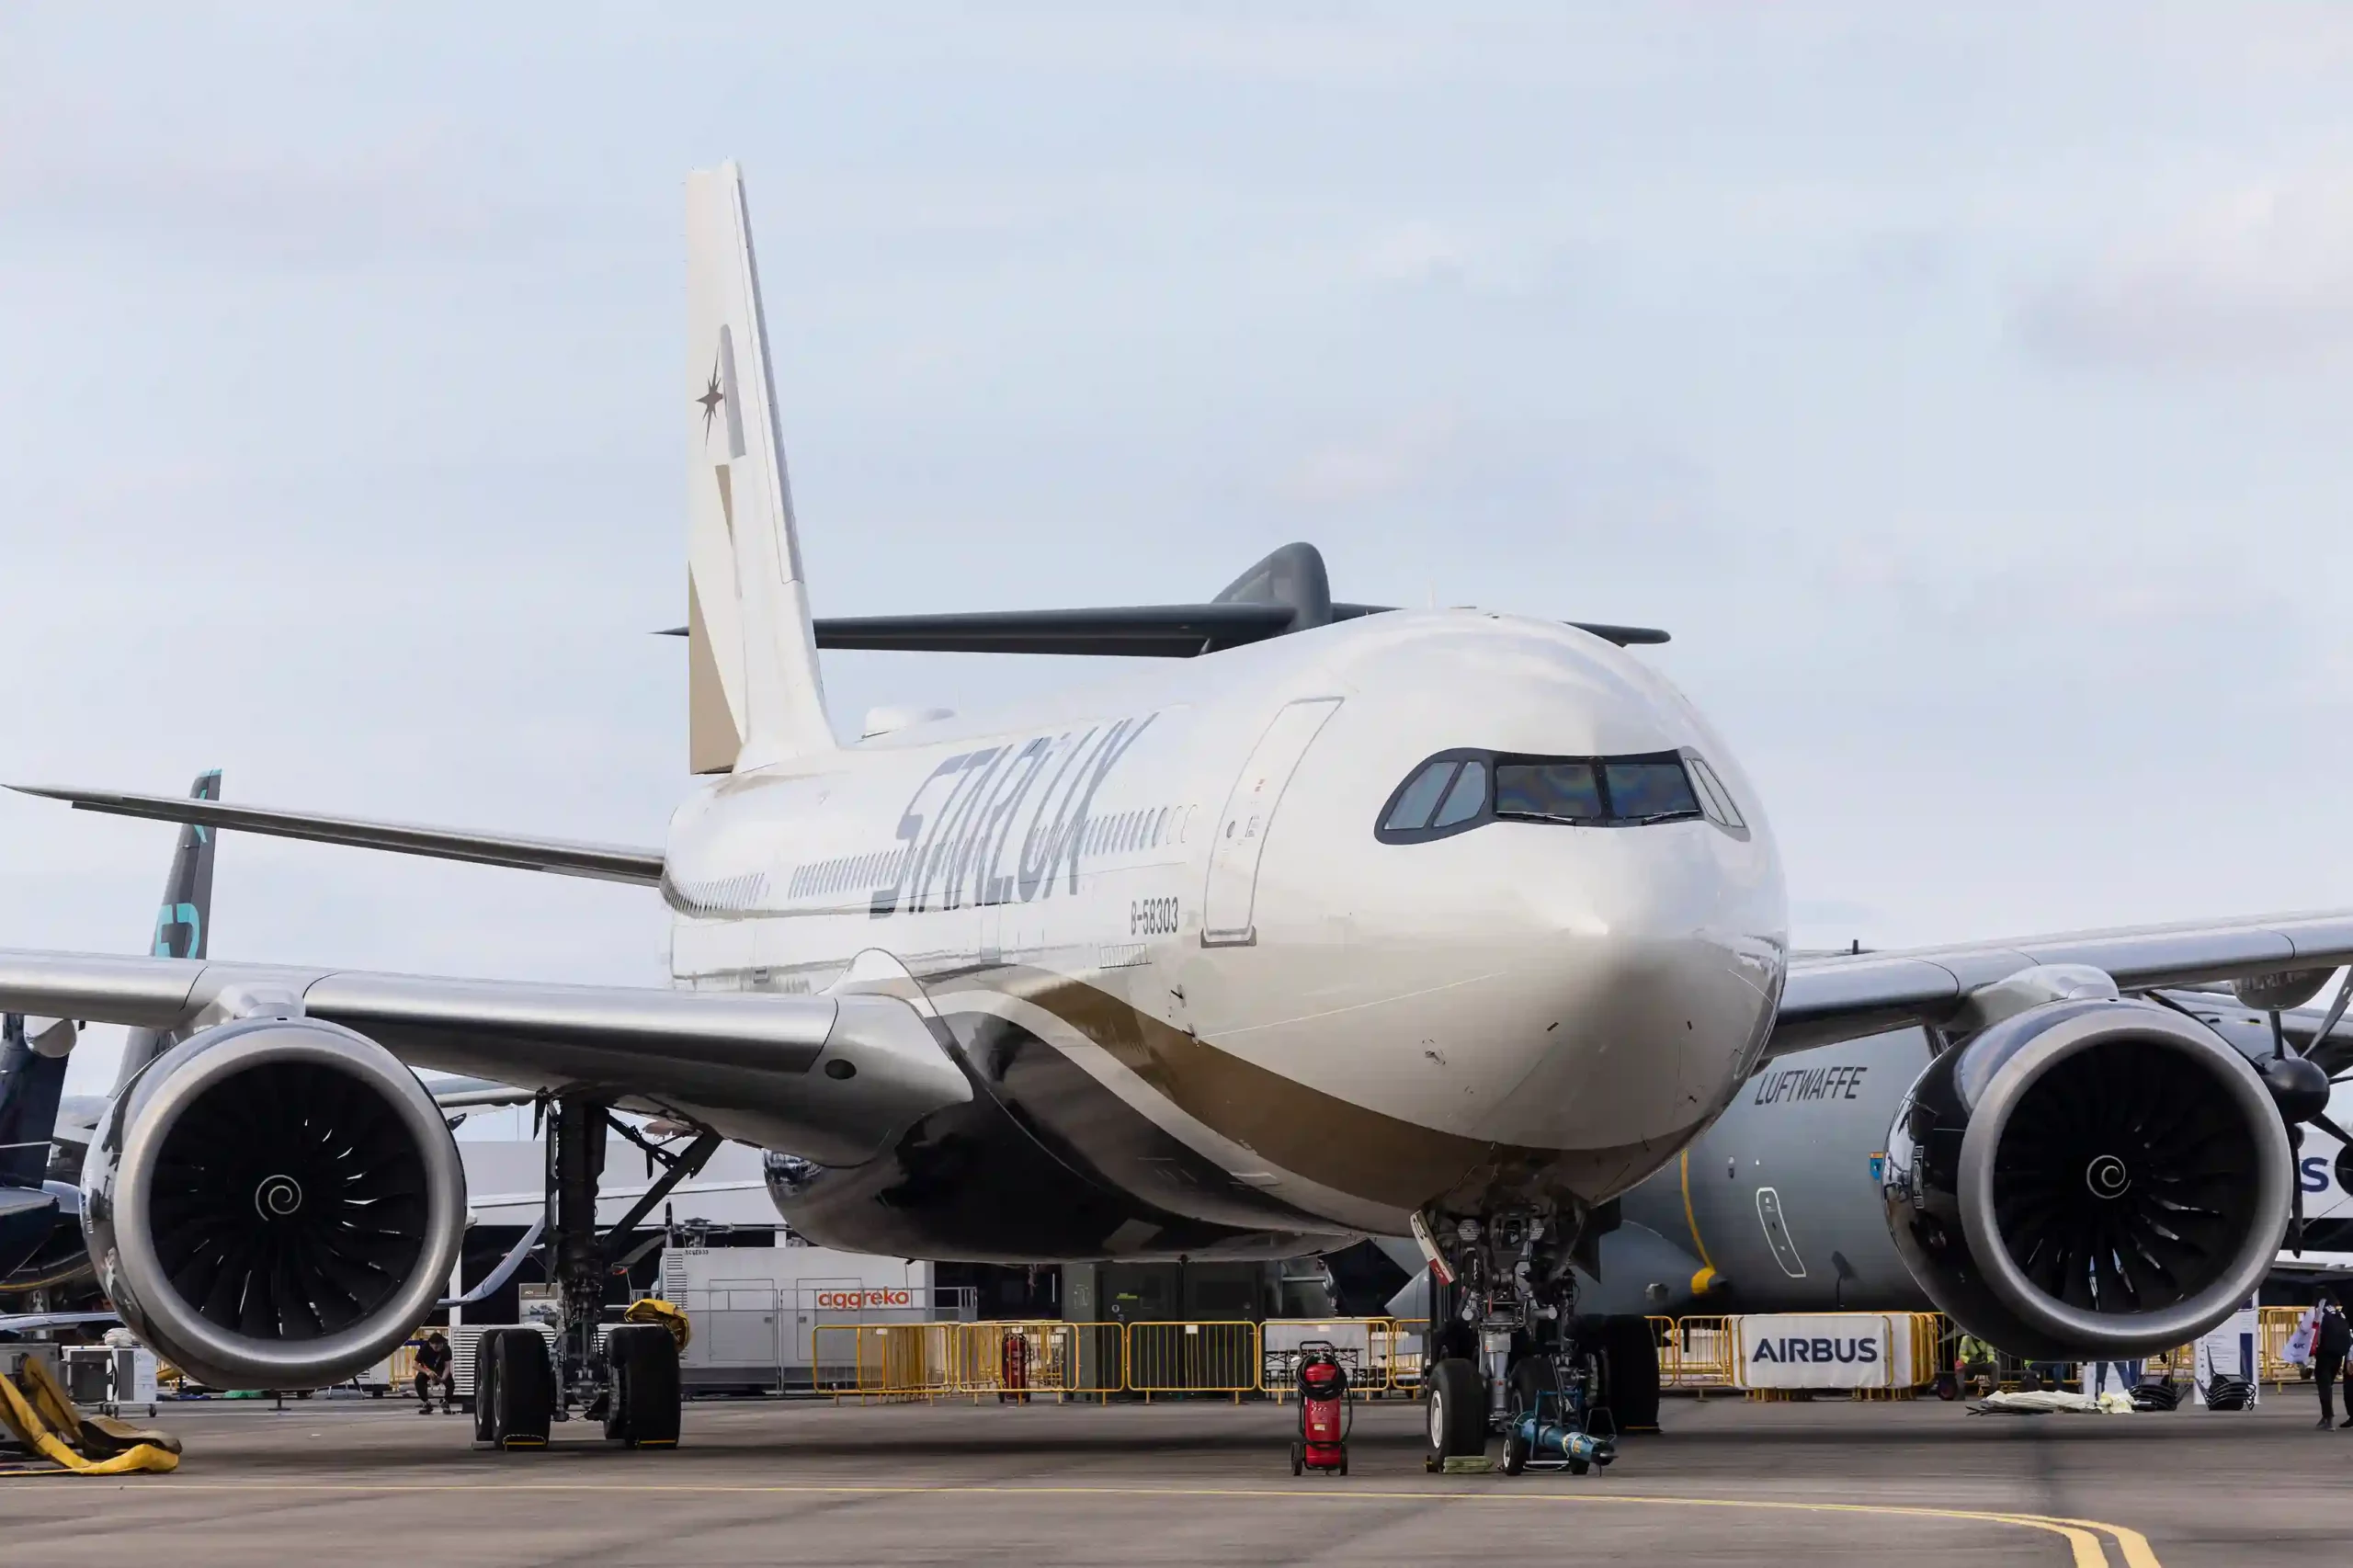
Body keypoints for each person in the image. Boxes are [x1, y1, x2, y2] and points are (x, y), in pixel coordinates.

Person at [2313, 1297, 2352, 1429]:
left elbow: (2313, 1332)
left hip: (2324, 1353)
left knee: (2324, 1386)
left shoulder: (2320, 1312)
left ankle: (2328, 1417)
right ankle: (2326, 1416)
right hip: (2338, 1354)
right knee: (2328, 1384)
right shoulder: (2339, 1314)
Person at [414, 1331, 455, 1415]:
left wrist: (443, 1378)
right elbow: (415, 1365)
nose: (438, 1348)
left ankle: (445, 1401)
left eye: (440, 1345)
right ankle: (426, 1402)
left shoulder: (446, 1349)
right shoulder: (424, 1349)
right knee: (419, 1380)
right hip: (428, 1369)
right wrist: (427, 1372)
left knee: (450, 1383)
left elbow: (447, 1366)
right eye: (436, 1347)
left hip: (441, 1369)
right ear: (430, 1344)